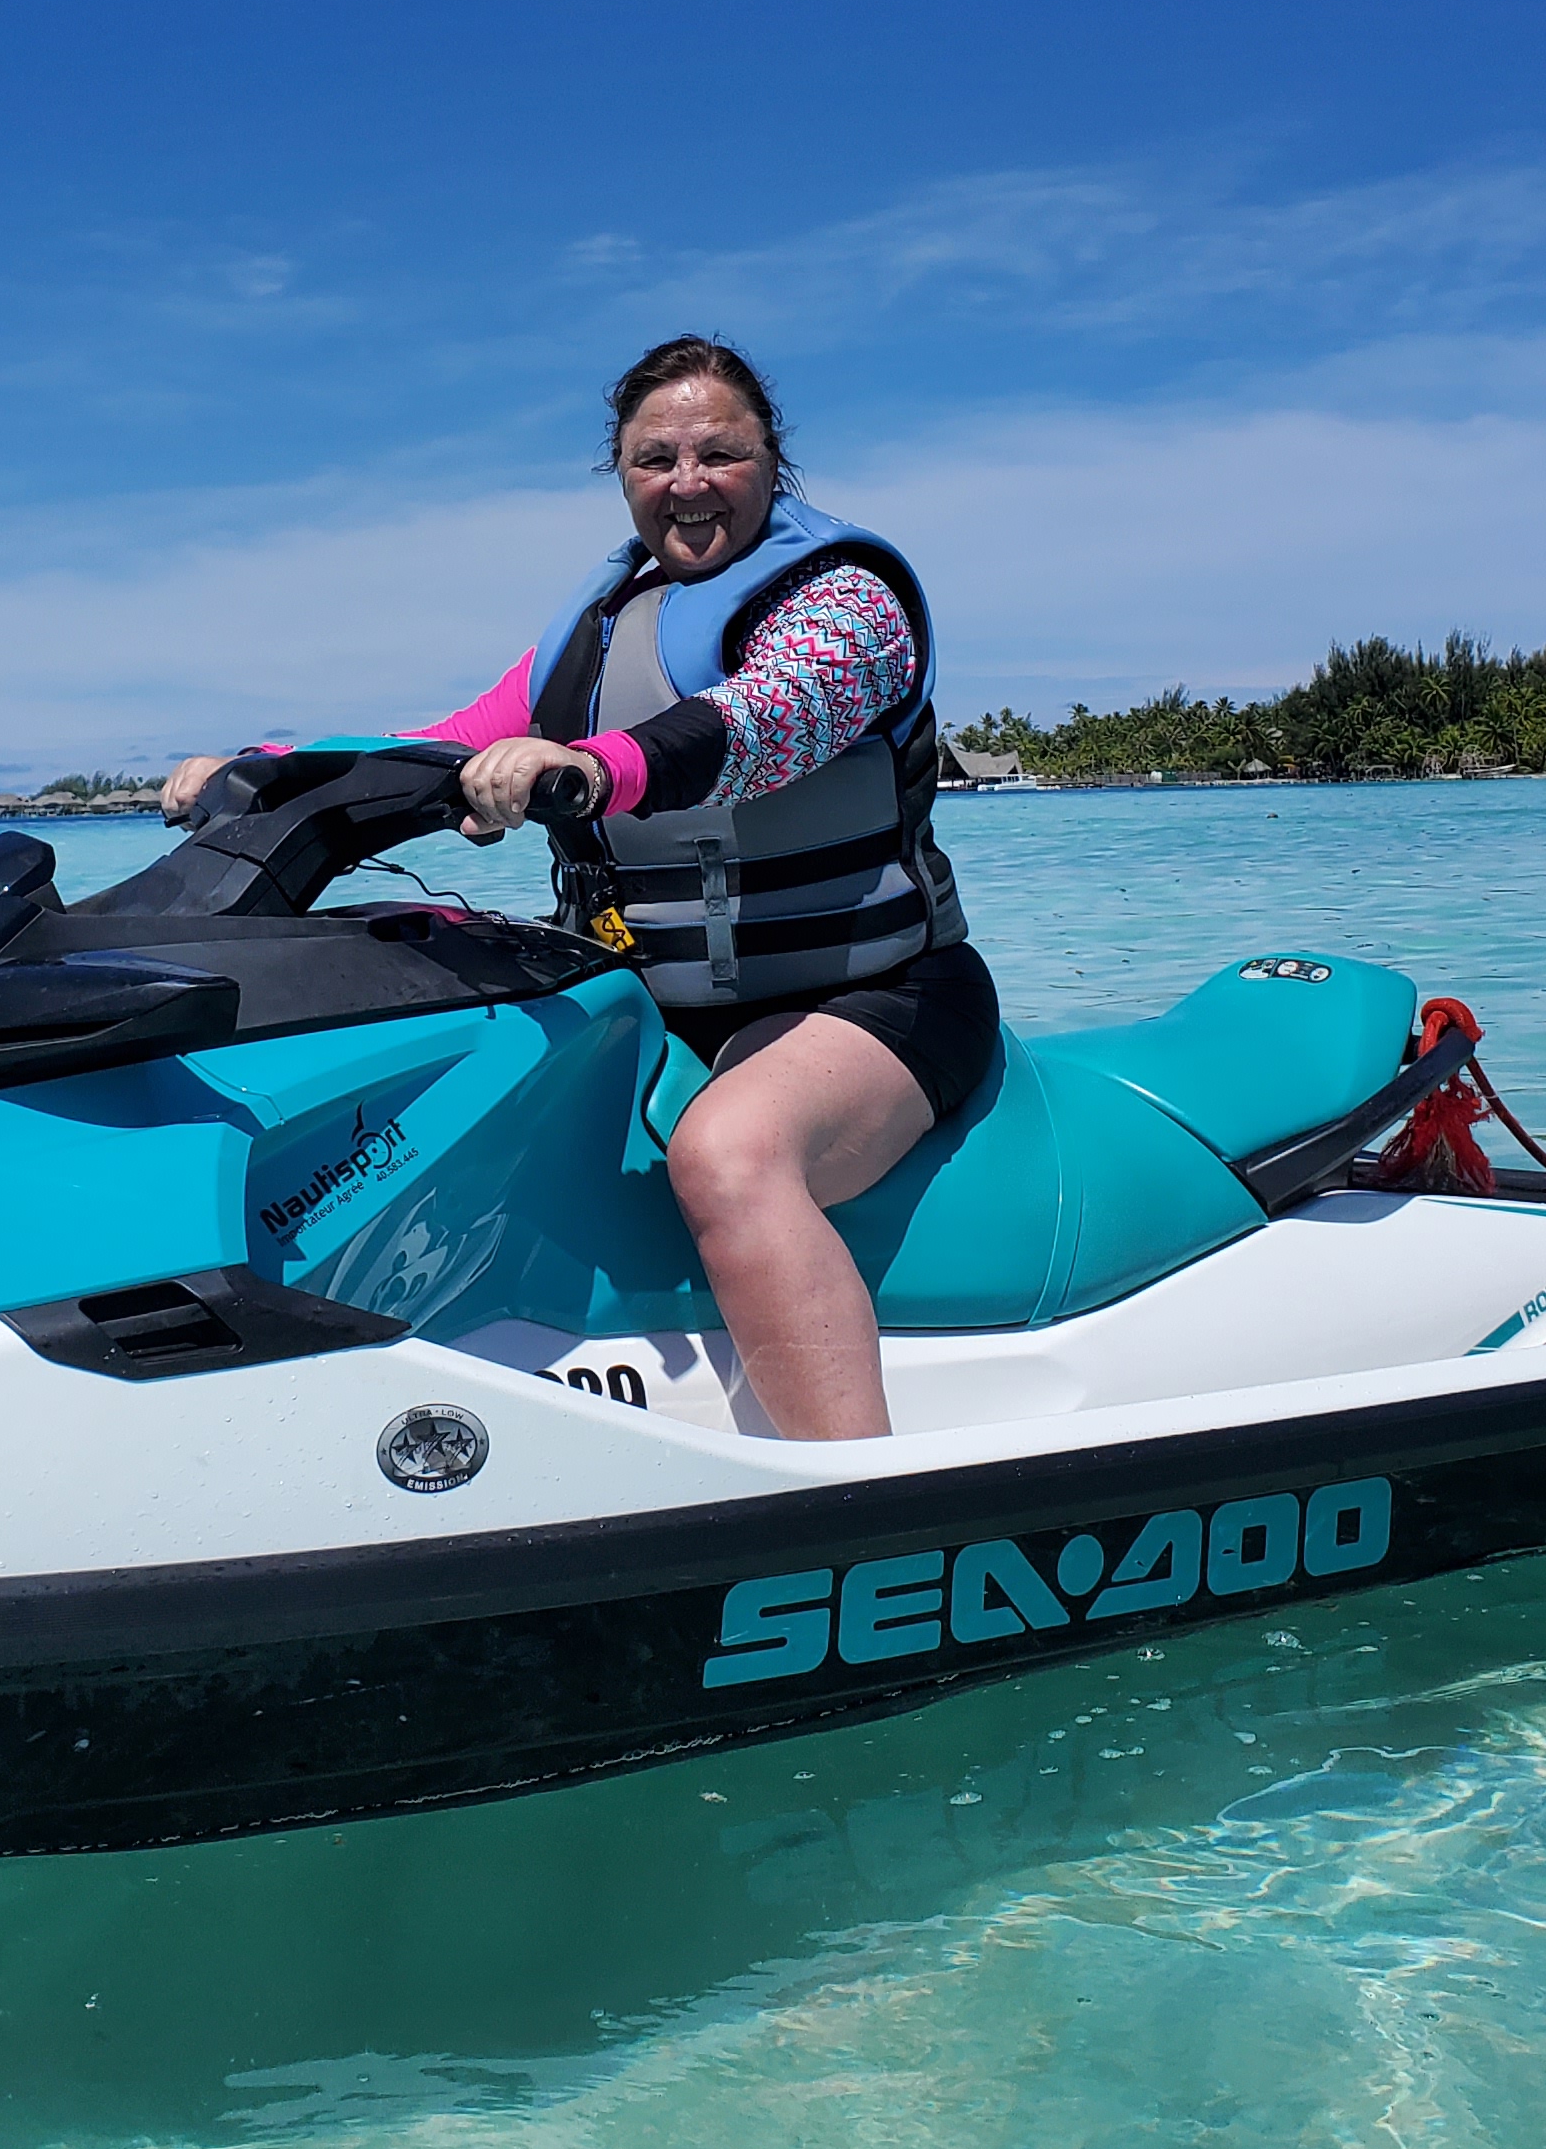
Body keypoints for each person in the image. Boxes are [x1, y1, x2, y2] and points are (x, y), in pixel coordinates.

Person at [161, 336, 989, 1439]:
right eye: (657, 458)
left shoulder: (846, 602)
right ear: (622, 472)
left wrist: (594, 769)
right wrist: (268, 772)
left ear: (770, 463)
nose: (687, 483)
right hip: (659, 1006)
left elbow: (765, 719)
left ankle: (864, 1498)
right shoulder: (600, 631)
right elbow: (441, 745)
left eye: (719, 454)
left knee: (729, 1154)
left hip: (877, 998)